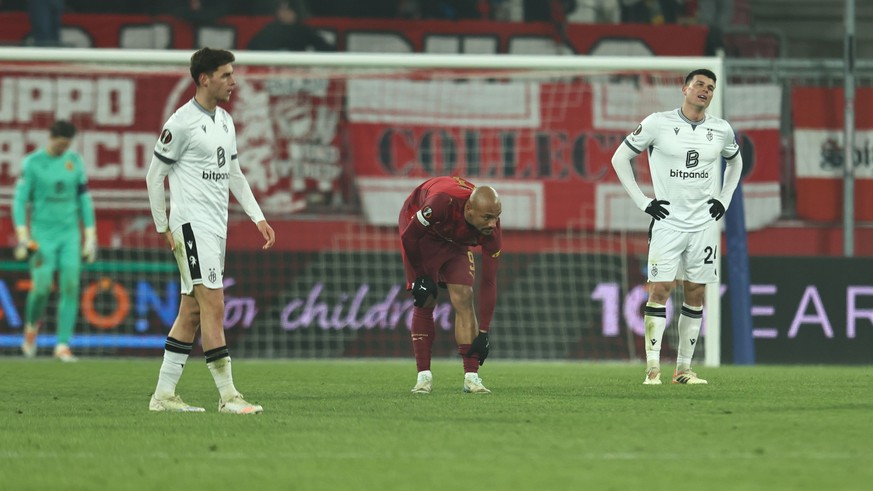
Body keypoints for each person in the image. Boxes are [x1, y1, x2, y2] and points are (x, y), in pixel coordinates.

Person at [146, 47, 276, 414]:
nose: (233, 82)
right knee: (214, 305)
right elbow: (154, 176)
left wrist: (257, 216)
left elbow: (234, 173)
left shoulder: (224, 121)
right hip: (191, 226)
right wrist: (162, 226)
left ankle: (163, 395)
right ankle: (229, 396)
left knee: (190, 311)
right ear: (205, 78)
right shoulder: (181, 123)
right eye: (226, 75)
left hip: (216, 227)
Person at [610, 68, 742, 385]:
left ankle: (683, 369)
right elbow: (619, 158)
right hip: (668, 223)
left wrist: (724, 199)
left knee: (696, 292)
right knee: (660, 288)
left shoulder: (721, 130)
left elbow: (735, 162)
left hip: (704, 225)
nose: (705, 90)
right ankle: (652, 368)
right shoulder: (658, 123)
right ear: (684, 89)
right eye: (699, 84)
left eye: (711, 87)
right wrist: (644, 202)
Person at [399, 176, 502, 394]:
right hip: (422, 235)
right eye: (488, 217)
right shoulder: (441, 203)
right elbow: (409, 237)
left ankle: (471, 377)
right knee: (426, 298)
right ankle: (423, 378)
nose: (493, 224)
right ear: (470, 210)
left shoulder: (491, 230)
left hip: (455, 240)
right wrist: (421, 275)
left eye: (496, 217)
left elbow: (489, 281)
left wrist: (483, 332)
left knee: (465, 296)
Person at [13, 120, 97, 362]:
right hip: (42, 236)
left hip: (70, 234)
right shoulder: (32, 163)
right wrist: (22, 235)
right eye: (59, 145)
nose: (63, 150)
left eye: (66, 145)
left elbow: (83, 199)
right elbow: (20, 201)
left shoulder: (74, 162)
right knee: (40, 288)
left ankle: (62, 345)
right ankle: (31, 329)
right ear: (50, 137)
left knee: (70, 286)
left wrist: (90, 236)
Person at [247, 0, 335, 52]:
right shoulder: (270, 30)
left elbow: (328, 50)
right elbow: (252, 47)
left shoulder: (305, 31)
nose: (284, 13)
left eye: (288, 10)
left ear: (296, 12)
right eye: (282, 9)